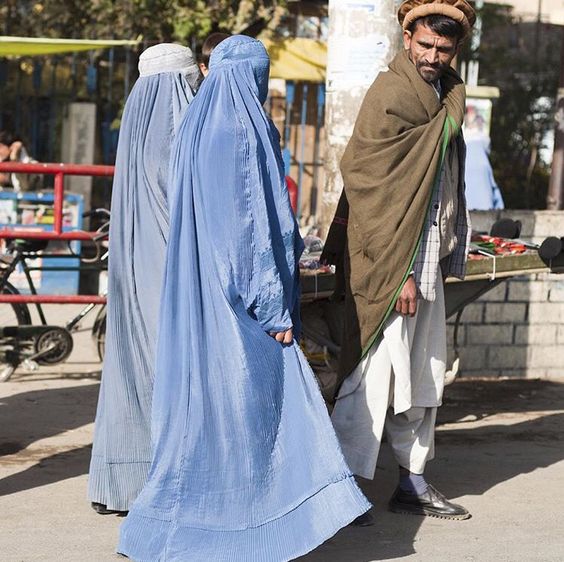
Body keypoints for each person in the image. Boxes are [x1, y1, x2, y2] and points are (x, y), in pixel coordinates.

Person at [118, 35, 370, 561]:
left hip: (198, 297)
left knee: (202, 416)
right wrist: (274, 307)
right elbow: (252, 230)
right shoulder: (240, 132)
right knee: (259, 411)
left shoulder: (194, 127)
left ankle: (173, 525)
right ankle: (256, 526)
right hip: (239, 306)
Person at [326, 0, 475, 522]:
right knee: (374, 377)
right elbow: (368, 182)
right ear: (407, 38)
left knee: (426, 374)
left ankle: (412, 482)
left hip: (428, 254)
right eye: (425, 44)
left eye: (443, 48)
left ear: (456, 50)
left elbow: (436, 179)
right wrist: (402, 274)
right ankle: (337, 488)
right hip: (391, 260)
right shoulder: (389, 92)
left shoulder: (446, 93)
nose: (432, 55)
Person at [88, 44, 202, 515]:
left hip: (131, 271)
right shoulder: (181, 129)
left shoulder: (135, 130)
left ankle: (122, 481)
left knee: (130, 370)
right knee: (170, 371)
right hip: (170, 277)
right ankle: (165, 483)